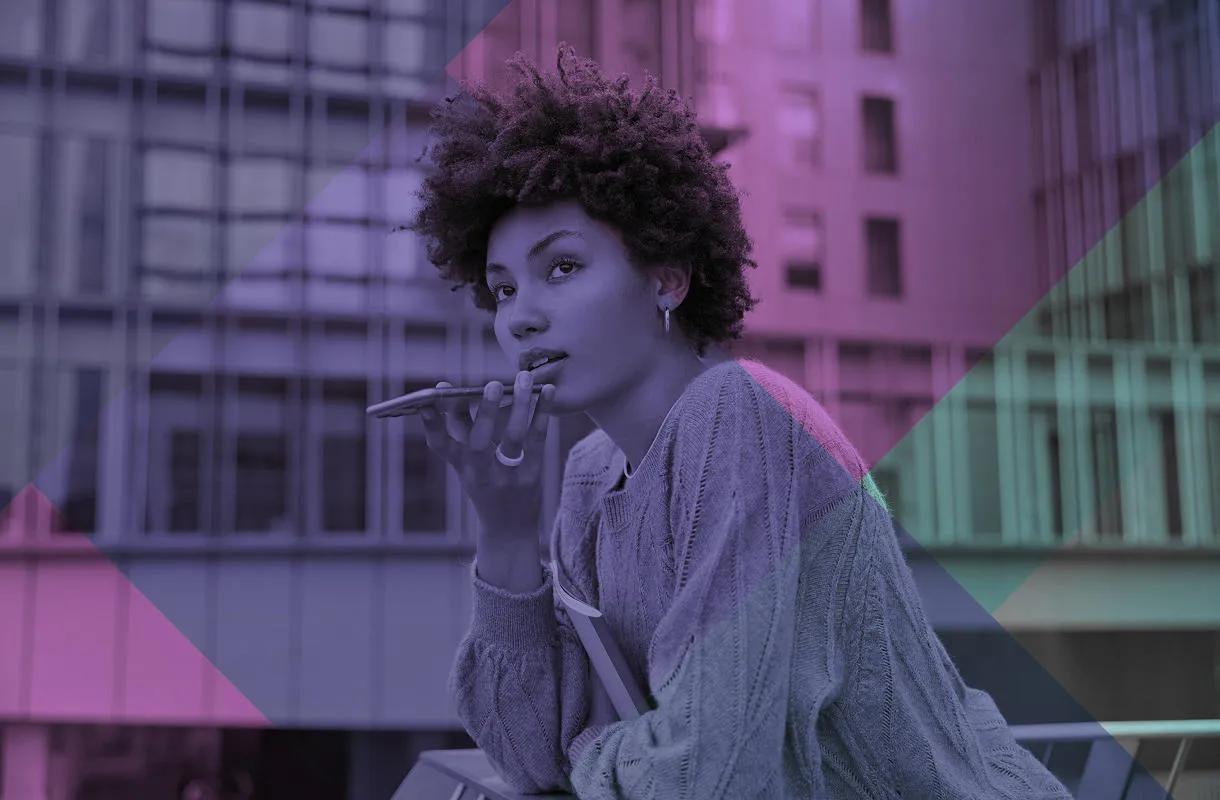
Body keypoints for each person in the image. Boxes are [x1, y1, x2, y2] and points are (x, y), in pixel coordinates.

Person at [405, 45, 1073, 799]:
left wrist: (585, 747)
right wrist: (504, 531)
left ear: (667, 279)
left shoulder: (740, 414)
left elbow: (707, 773)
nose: (521, 317)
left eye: (562, 268)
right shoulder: (591, 476)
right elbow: (528, 757)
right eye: (502, 290)